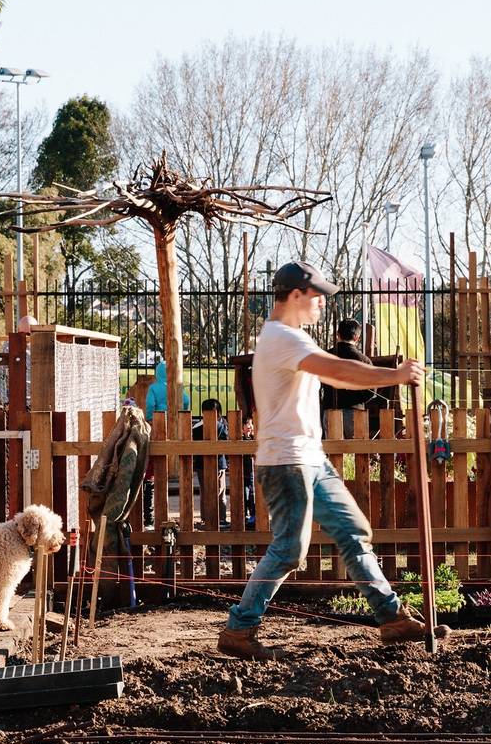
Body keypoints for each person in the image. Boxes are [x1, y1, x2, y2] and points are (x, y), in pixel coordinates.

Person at [218, 260, 447, 660]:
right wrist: (394, 375)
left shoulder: (294, 338)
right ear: (296, 295)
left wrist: (388, 376)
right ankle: (239, 630)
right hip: (286, 461)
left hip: (310, 458)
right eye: (318, 296)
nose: (323, 303)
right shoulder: (281, 338)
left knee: (353, 531)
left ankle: (392, 619)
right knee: (289, 549)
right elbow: (337, 368)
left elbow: (337, 376)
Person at [142, 359, 191, 526]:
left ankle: (150, 516)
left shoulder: (154, 388)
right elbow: (186, 401)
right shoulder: (178, 387)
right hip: (175, 425)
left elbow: (150, 405)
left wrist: (150, 418)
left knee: (154, 462)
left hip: (157, 425)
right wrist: (181, 414)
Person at [193, 398, 254, 529]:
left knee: (205, 492)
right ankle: (221, 518)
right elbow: (226, 441)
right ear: (219, 412)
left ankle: (206, 518)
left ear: (203, 412)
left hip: (201, 464)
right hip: (219, 463)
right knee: (220, 492)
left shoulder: (196, 427)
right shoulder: (221, 425)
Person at [322, 318, 377, 437]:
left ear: (338, 334)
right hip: (355, 412)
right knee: (357, 447)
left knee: (333, 447)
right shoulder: (363, 360)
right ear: (357, 338)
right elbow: (371, 391)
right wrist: (355, 400)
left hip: (330, 409)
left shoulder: (325, 357)